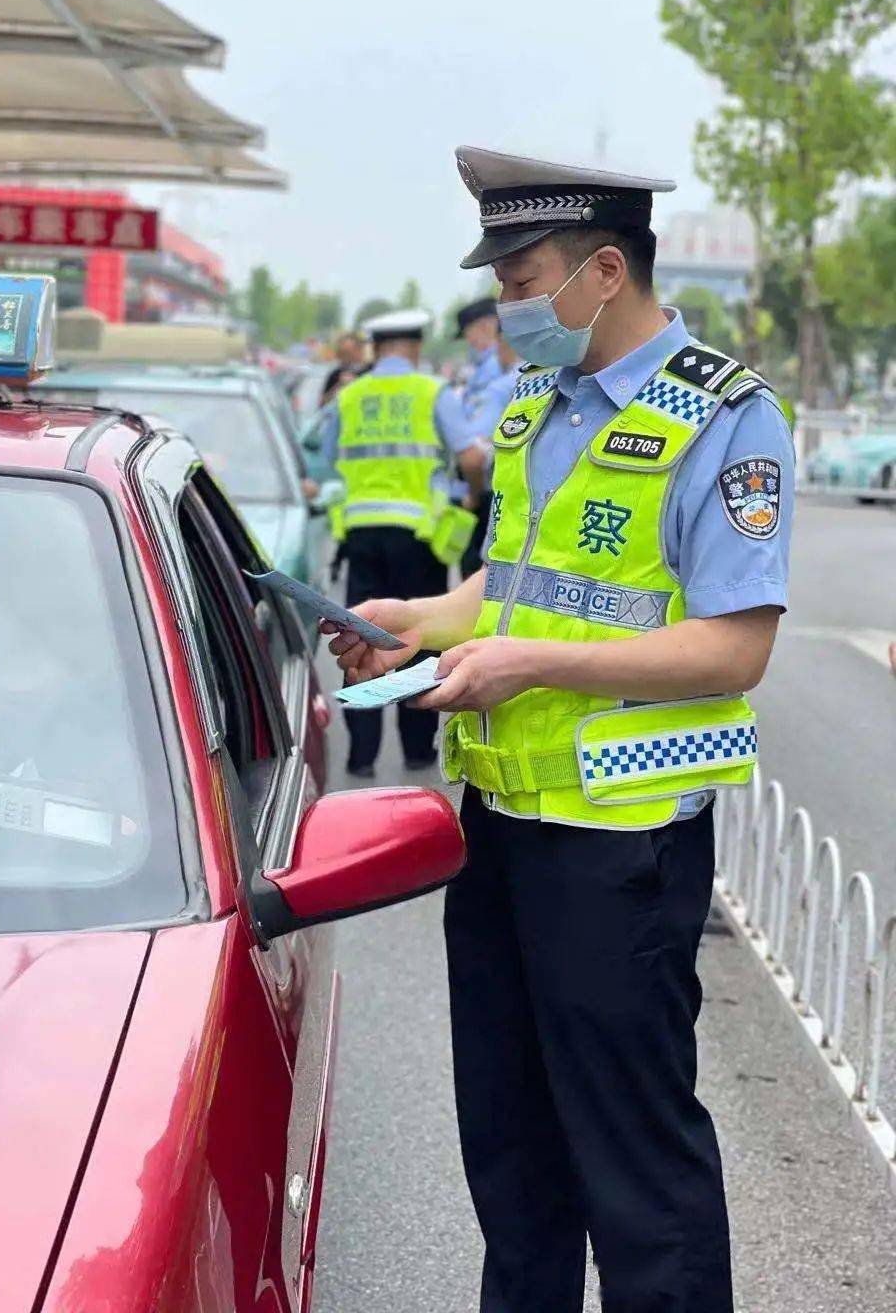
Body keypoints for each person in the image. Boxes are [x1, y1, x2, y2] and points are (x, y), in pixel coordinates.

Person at [325, 147, 795, 1313]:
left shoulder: (724, 419)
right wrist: (418, 625)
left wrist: (534, 664)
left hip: (621, 844)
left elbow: (735, 644)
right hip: (501, 833)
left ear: (601, 270)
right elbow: (511, 584)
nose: (505, 308)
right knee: (514, 1165)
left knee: (639, 1182)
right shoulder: (539, 405)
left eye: (522, 280)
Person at [320, 307, 485, 777]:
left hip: (361, 535)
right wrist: (470, 496)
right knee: (420, 638)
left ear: (375, 348)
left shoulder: (349, 396)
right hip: (420, 537)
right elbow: (472, 457)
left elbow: (329, 460)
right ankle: (417, 752)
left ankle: (361, 758)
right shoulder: (433, 392)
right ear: (414, 347)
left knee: (360, 643)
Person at [453, 297, 524, 576]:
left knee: (480, 572)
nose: (469, 342)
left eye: (469, 333)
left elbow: (475, 450)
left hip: (489, 490)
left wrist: (472, 491)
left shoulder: (500, 381)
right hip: (506, 490)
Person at [320, 330, 369, 405]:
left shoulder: (372, 371)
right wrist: (338, 386)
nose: (341, 356)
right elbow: (323, 405)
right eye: (341, 352)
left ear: (360, 350)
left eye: (347, 352)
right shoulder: (335, 374)